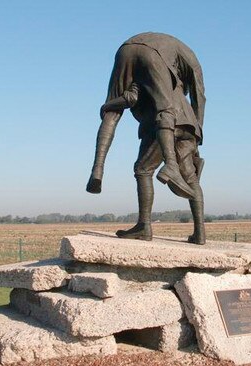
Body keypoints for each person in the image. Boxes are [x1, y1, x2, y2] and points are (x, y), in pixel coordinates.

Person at [86, 32, 207, 244]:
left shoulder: (150, 77)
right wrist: (198, 133)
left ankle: (142, 223)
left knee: (143, 169)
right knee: (190, 176)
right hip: (188, 126)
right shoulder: (179, 69)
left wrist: (109, 106)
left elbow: (131, 98)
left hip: (127, 51)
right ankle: (200, 233)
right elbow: (200, 93)